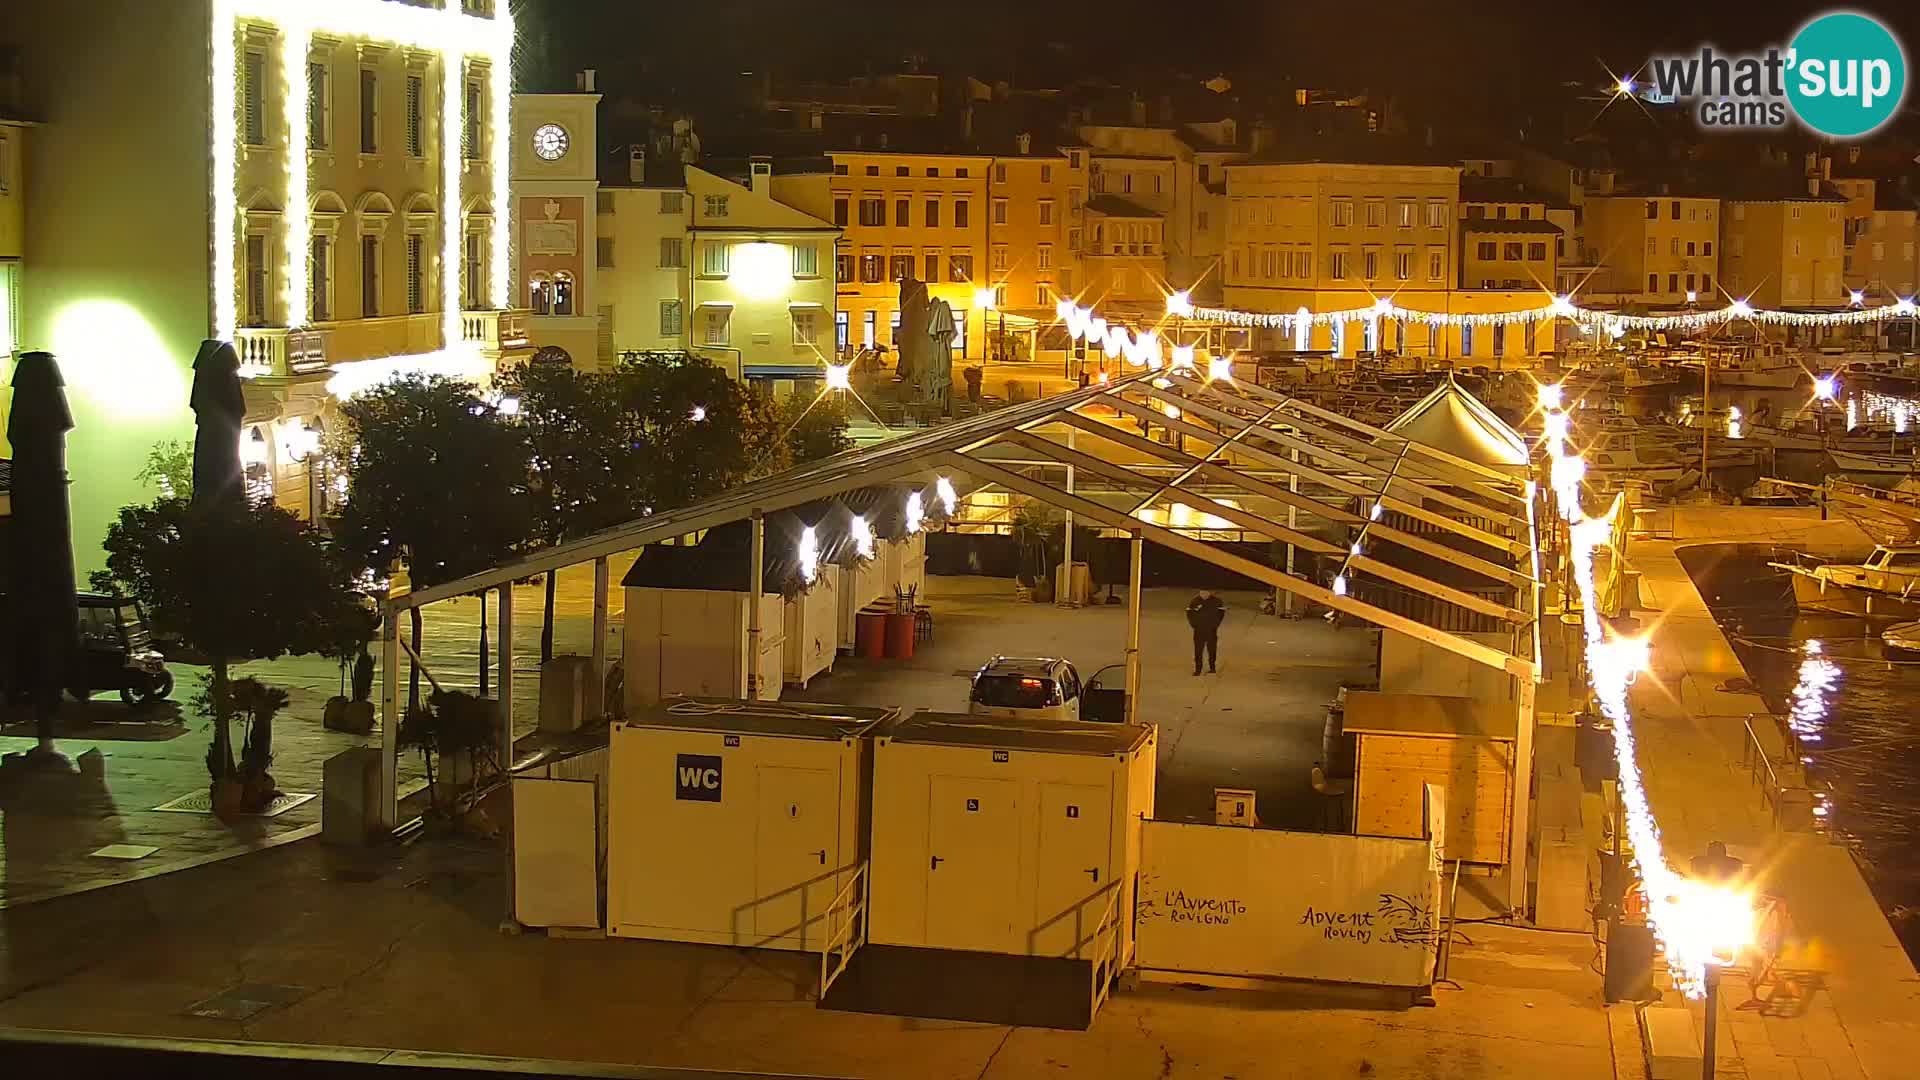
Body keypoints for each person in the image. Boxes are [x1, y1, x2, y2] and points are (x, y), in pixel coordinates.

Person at [1186, 589, 1226, 675]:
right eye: (1202, 592)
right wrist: (1195, 625)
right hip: (1198, 631)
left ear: (1210, 592)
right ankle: (1198, 670)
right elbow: (1189, 614)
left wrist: (1215, 625)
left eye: (1205, 592)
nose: (1203, 594)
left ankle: (1212, 668)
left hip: (1211, 631)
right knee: (1198, 651)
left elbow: (1221, 613)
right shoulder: (1195, 601)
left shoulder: (1217, 601)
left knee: (1212, 650)